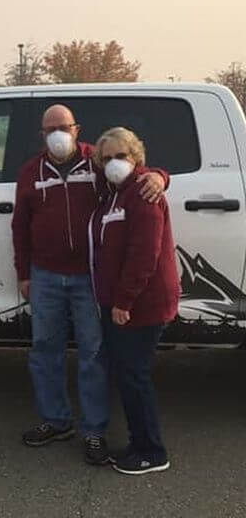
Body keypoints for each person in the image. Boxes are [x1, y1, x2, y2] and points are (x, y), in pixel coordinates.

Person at [11, 105, 168, 465]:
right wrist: (24, 273)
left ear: (77, 129)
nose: (57, 134)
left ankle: (94, 431)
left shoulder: (97, 163)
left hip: (89, 277)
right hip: (45, 275)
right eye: (49, 129)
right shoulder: (29, 173)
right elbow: (20, 226)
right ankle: (55, 420)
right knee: (44, 351)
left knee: (93, 355)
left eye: (63, 127)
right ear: (42, 135)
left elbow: (134, 176)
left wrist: (161, 175)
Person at [90, 127, 179, 475]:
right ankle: (139, 442)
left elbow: (145, 254)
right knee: (128, 374)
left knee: (134, 375)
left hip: (140, 303)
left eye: (121, 156)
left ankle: (151, 451)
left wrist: (123, 302)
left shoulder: (142, 191)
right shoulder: (115, 193)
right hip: (124, 302)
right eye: (107, 158)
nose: (114, 163)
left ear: (137, 157)